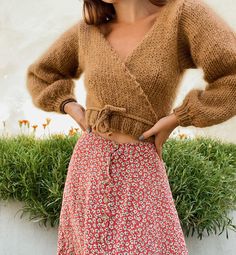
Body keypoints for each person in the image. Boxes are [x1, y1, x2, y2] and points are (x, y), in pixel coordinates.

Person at [26, 0, 236, 254]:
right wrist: (70, 106)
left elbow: (231, 75)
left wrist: (179, 117)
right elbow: (42, 74)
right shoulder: (89, 31)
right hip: (89, 166)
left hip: (140, 169)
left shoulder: (182, 16)